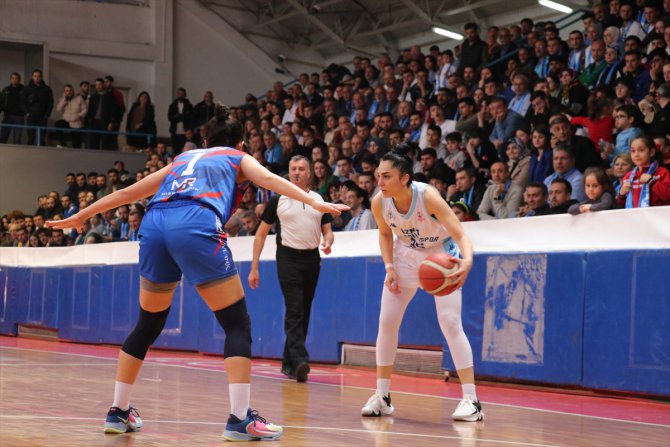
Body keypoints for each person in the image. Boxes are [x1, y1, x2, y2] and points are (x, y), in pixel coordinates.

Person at [46, 104, 347, 441]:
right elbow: (269, 179)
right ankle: (239, 419)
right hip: (195, 223)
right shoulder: (235, 157)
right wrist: (315, 201)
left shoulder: (181, 160)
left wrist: (80, 216)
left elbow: (128, 193)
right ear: (240, 143)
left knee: (147, 323)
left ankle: (118, 411)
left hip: (155, 225)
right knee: (236, 323)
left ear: (204, 138)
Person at [361, 144, 483, 422]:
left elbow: (461, 234)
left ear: (405, 178)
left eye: (386, 176)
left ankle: (471, 400)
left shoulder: (427, 196)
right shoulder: (380, 201)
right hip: (404, 255)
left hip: (441, 254)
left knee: (450, 323)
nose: (380, 182)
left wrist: (467, 260)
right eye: (378, 176)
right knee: (387, 321)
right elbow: (384, 233)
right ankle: (383, 396)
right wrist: (389, 266)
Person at [248, 155, 337, 383]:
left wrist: (327, 241)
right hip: (287, 258)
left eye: (301, 169)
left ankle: (289, 363)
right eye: (293, 168)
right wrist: (254, 267)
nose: (297, 172)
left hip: (312, 260)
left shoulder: (319, 199)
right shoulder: (278, 200)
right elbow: (260, 234)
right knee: (295, 307)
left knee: (304, 310)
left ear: (309, 173)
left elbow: (328, 230)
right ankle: (300, 360)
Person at [617, 136, 670, 207]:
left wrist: (651, 181)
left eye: (641, 150)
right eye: (633, 151)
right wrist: (621, 195)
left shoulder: (662, 172)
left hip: (658, 217)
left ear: (651, 152)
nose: (636, 154)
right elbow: (621, 204)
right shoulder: (628, 176)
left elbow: (667, 196)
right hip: (634, 217)